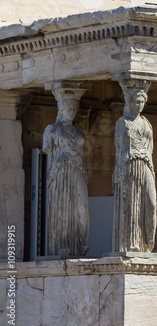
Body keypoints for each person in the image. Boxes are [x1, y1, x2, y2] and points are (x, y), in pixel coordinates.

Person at [43, 93, 89, 256]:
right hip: (60, 172)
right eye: (68, 108)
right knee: (62, 210)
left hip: (78, 171)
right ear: (61, 109)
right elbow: (47, 151)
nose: (72, 112)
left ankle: (80, 245)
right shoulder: (52, 129)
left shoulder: (79, 129)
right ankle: (61, 247)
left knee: (81, 209)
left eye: (74, 109)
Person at [113, 82, 156, 252]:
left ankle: (148, 243)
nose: (140, 105)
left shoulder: (147, 123)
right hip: (129, 165)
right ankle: (132, 244)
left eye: (142, 102)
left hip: (145, 164)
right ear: (129, 103)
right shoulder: (122, 122)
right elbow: (119, 147)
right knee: (131, 203)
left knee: (150, 203)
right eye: (137, 102)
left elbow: (150, 147)